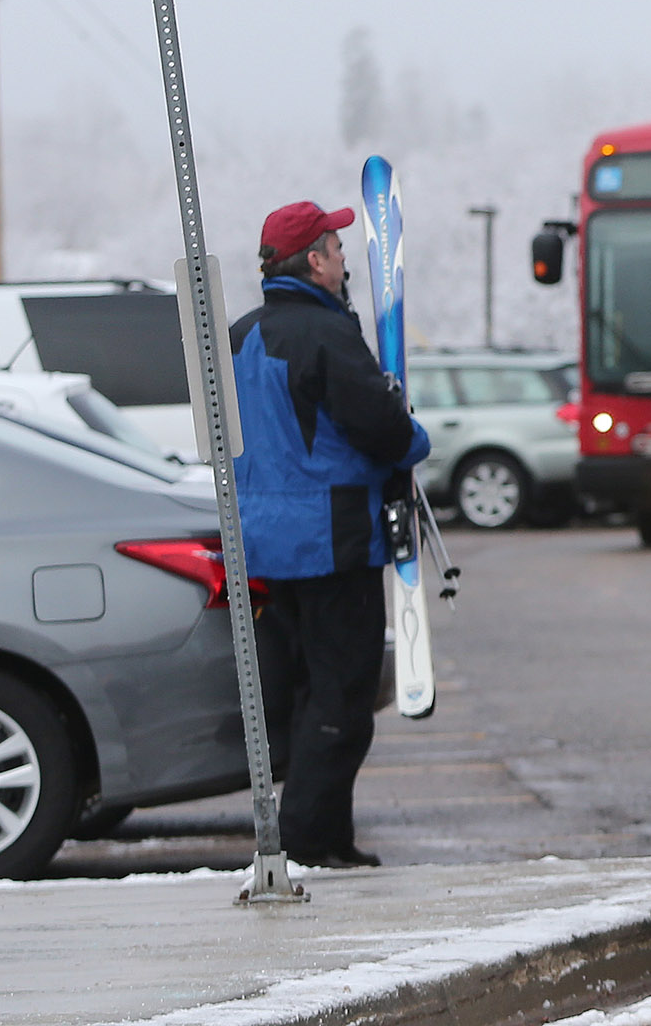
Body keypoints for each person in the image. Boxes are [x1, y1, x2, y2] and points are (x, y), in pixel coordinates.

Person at [231, 199, 428, 870]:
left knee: (303, 692)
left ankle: (324, 837)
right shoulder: (324, 335)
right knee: (341, 697)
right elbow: (381, 428)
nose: (346, 260)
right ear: (314, 261)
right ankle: (309, 843)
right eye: (338, 248)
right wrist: (412, 439)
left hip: (265, 544)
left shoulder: (238, 334)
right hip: (330, 539)